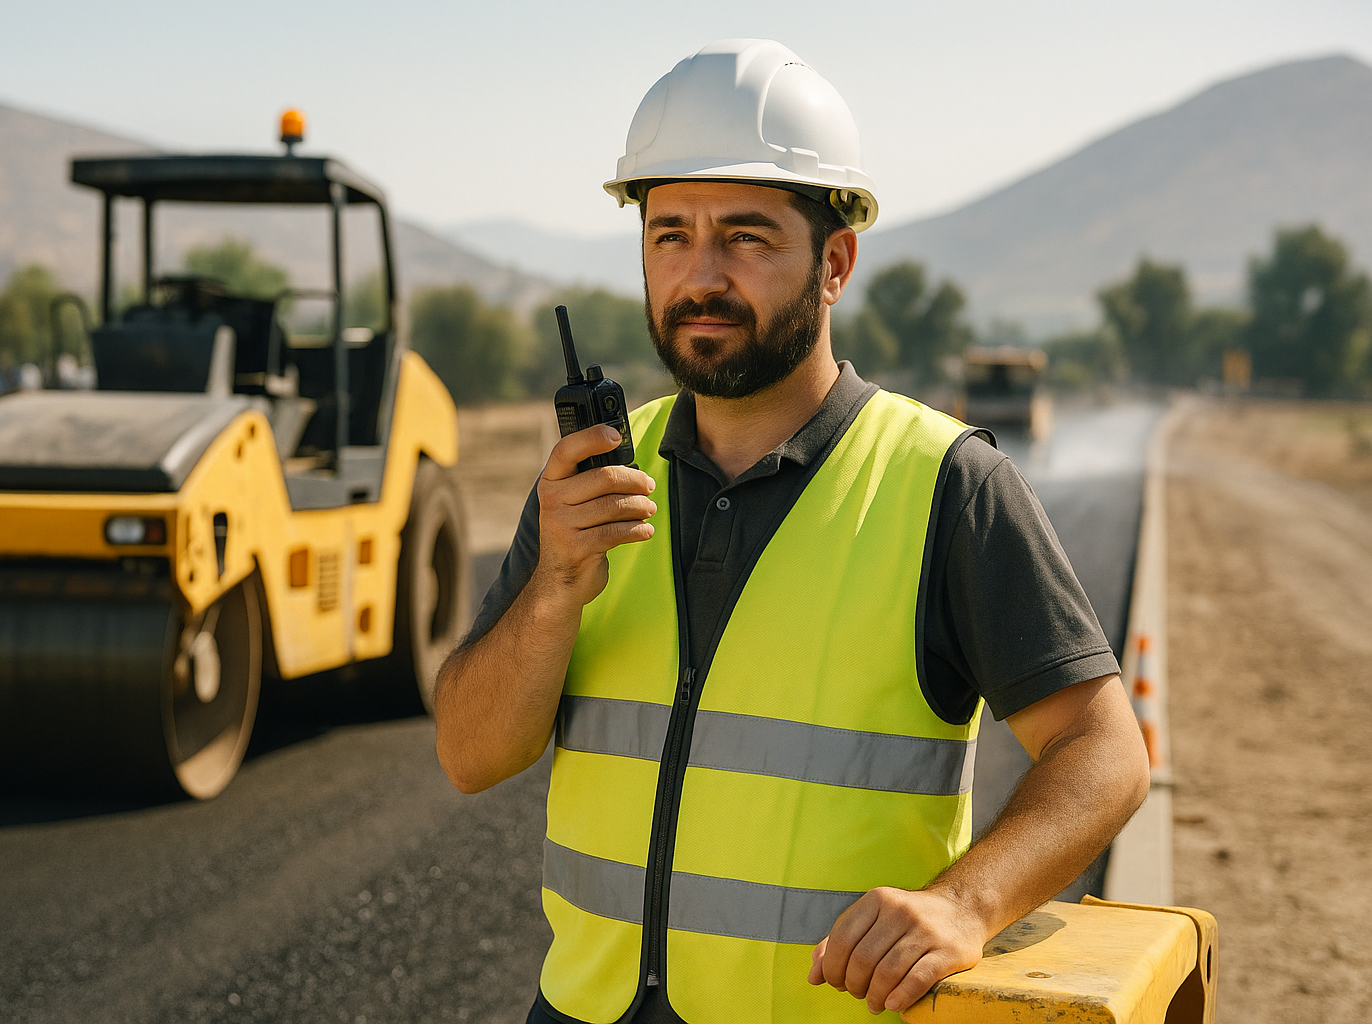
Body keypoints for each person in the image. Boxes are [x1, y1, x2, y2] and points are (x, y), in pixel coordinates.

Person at [435, 39, 1150, 1024]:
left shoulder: (946, 484)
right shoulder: (594, 474)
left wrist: (965, 903)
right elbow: (471, 754)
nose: (701, 275)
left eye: (747, 237)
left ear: (835, 261)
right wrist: (556, 585)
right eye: (670, 234)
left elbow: (1103, 750)